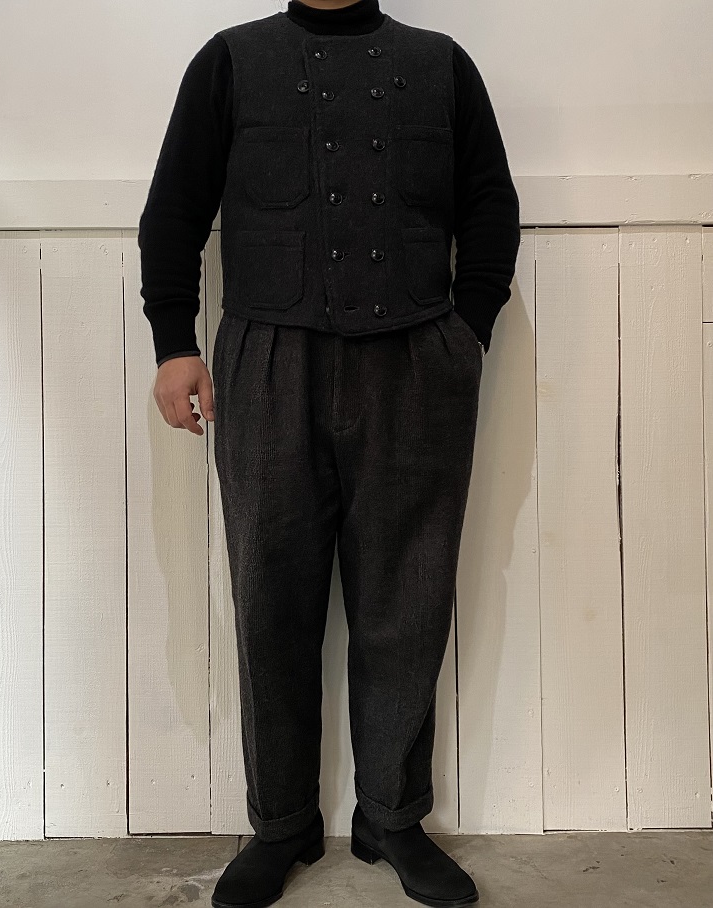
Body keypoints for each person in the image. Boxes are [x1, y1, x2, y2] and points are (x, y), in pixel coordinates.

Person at [138, 1, 520, 905]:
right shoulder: (230, 61)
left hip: (416, 360)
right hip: (269, 359)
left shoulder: (442, 63)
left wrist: (465, 333)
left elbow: (490, 205)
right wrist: (173, 342)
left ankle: (392, 818)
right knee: (270, 599)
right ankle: (281, 824)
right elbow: (174, 208)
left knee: (408, 597)